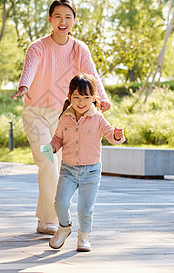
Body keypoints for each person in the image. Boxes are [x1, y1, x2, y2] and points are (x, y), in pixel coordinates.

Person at [11, 0, 112, 235]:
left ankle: (45, 218)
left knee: (54, 167)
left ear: (74, 20)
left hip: (64, 116)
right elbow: (31, 67)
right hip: (36, 115)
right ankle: (50, 220)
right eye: (58, 17)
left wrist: (102, 97)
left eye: (68, 17)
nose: (63, 22)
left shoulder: (79, 48)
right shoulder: (37, 47)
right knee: (48, 162)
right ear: (50, 19)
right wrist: (24, 86)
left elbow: (91, 74)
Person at [48, 74, 125, 252]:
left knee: (85, 208)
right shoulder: (64, 118)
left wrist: (117, 135)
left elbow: (110, 134)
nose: (81, 102)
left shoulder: (97, 118)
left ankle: (84, 237)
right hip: (68, 170)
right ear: (69, 97)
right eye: (76, 97)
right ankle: (64, 227)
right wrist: (51, 147)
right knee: (60, 202)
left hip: (91, 172)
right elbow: (58, 138)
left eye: (86, 98)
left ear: (94, 98)